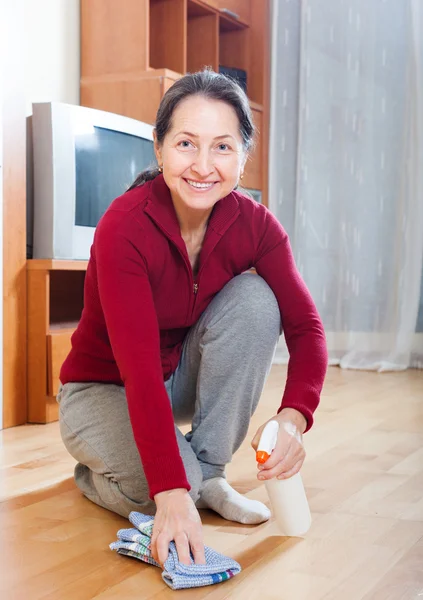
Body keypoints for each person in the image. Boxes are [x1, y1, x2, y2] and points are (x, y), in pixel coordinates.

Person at [57, 69, 328, 568]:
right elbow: (136, 370)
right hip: (102, 387)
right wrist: (170, 494)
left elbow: (306, 326)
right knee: (156, 494)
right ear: (159, 149)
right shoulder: (124, 227)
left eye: (223, 147)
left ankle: (209, 470)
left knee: (256, 297)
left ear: (244, 158)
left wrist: (294, 416)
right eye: (186, 143)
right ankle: (100, 475)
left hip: (173, 377)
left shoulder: (256, 226)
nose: (203, 166)